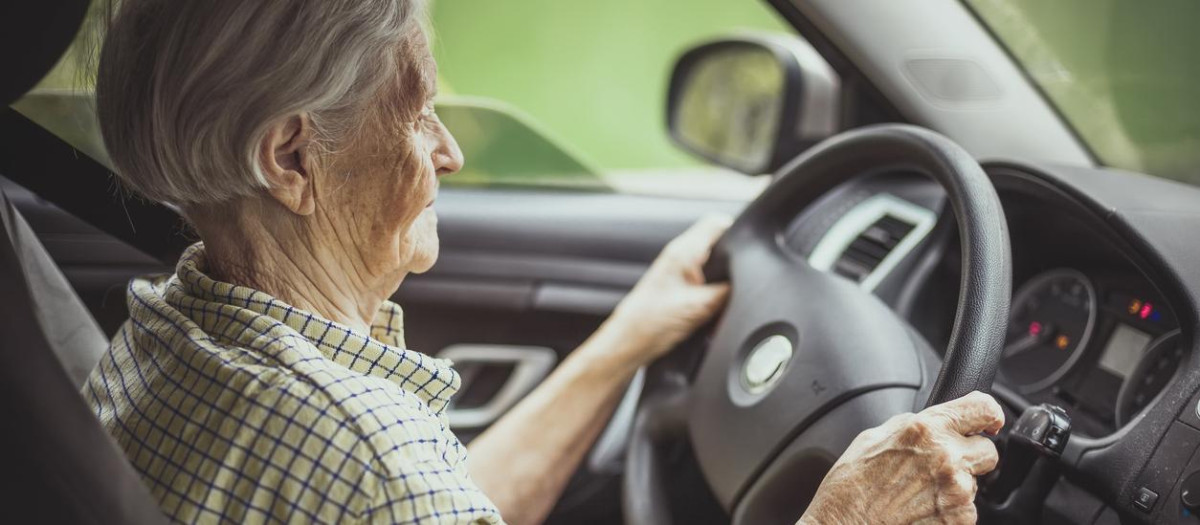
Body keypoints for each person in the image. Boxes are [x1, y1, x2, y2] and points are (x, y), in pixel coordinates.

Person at [83, 0, 1004, 523]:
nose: (447, 151)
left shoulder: (163, 330)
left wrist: (624, 343)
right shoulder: (370, 456)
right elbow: (396, 487)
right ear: (292, 160)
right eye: (415, 115)